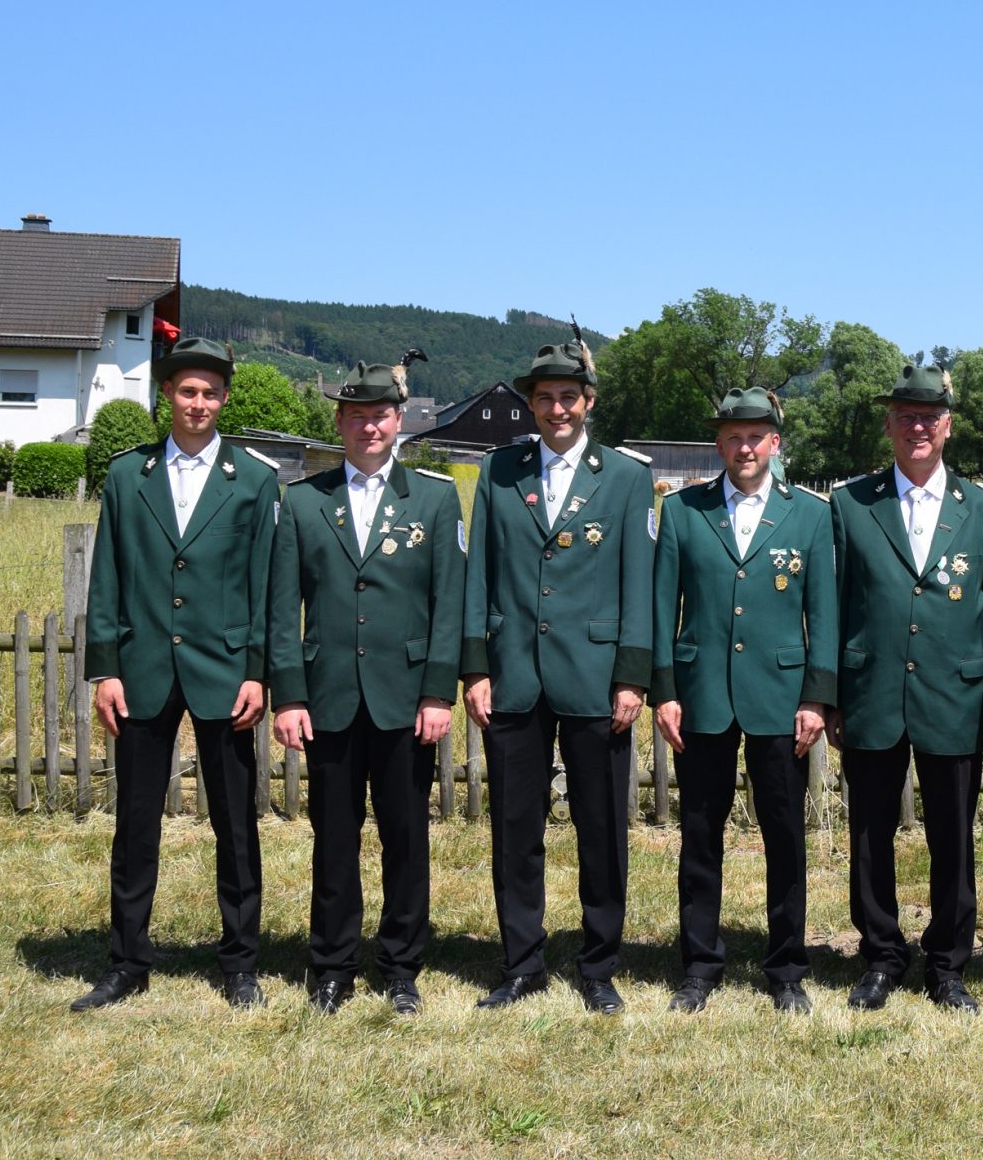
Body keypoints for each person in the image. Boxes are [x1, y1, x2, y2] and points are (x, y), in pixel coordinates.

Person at [75, 335, 278, 1012]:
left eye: (210, 392)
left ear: (224, 399)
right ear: (167, 393)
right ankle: (128, 961)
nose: (198, 402)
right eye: (187, 390)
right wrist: (105, 670)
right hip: (142, 671)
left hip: (226, 673)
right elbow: (107, 576)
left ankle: (240, 962)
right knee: (135, 825)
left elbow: (266, 586)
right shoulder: (127, 476)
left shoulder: (255, 480)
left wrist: (257, 672)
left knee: (236, 826)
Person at [462, 340, 654, 1014]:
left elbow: (639, 582)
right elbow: (479, 573)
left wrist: (632, 675)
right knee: (516, 831)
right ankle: (522, 964)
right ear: (531, 404)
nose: (556, 409)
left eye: (568, 397)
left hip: (596, 676)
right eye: (544, 398)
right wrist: (475, 666)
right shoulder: (500, 471)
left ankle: (598, 966)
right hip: (514, 671)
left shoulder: (625, 477)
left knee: (601, 831)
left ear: (588, 401)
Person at [268, 355, 462, 1014]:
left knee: (406, 838)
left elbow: (448, 603)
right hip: (328, 698)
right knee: (333, 838)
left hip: (406, 698)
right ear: (339, 421)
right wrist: (289, 695)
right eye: (356, 415)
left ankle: (401, 965)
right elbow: (282, 608)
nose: (368, 426)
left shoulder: (434, 498)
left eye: (379, 414)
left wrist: (438, 692)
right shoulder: (303, 501)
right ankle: (332, 965)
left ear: (399, 420)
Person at [828, 364, 983, 1013]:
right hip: (872, 692)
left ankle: (947, 964)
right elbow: (833, 604)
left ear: (948, 426)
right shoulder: (851, 505)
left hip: (955, 697)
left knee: (953, 839)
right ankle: (881, 954)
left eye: (929, 417)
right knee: (870, 835)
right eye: (906, 416)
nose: (917, 428)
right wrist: (830, 695)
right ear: (888, 424)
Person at [653, 386, 836, 1016]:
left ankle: (786, 968)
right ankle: (700, 965)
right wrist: (665, 691)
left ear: (775, 443)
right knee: (699, 834)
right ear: (719, 444)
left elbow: (824, 615)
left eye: (756, 436)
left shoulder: (809, 515)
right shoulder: (684, 511)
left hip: (781, 698)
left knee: (785, 837)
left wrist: (816, 697)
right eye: (733, 436)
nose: (745, 447)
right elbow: (662, 608)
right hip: (702, 694)